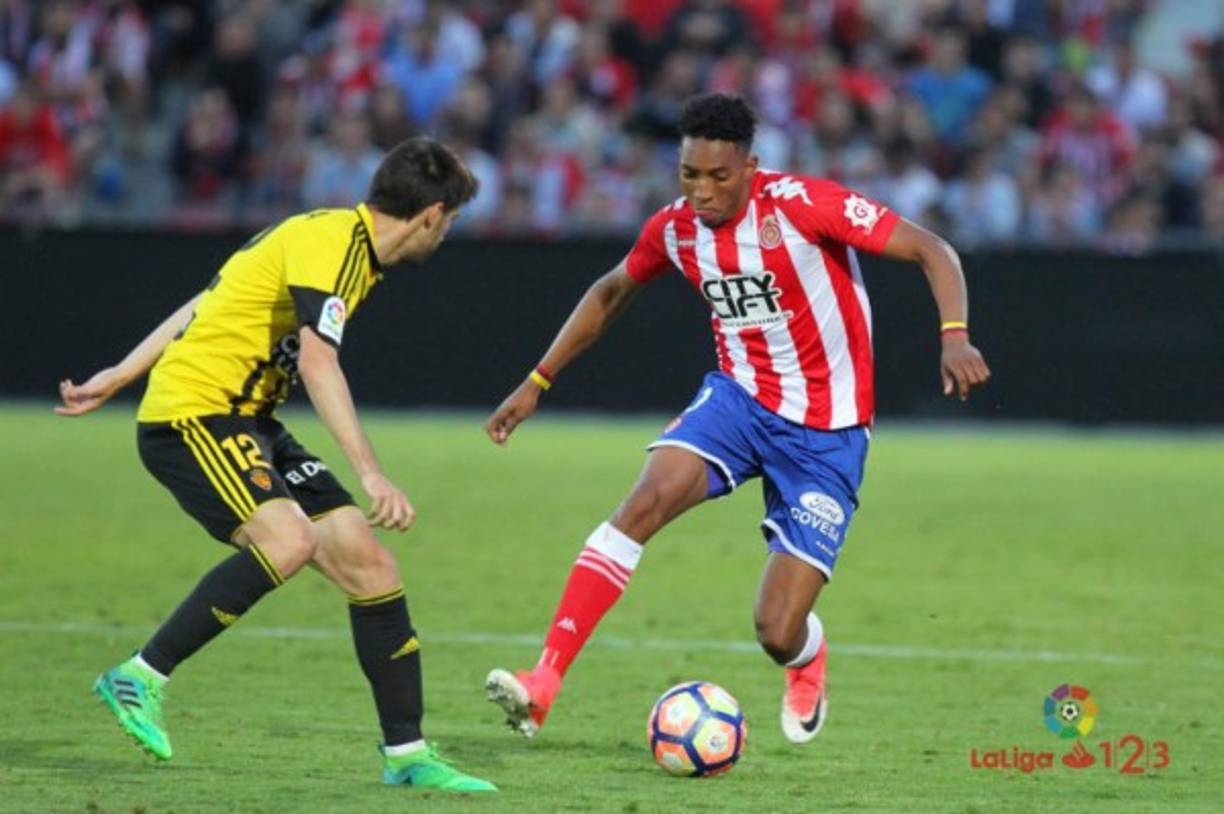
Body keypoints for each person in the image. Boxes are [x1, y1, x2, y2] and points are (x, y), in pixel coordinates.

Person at [483, 94, 990, 743]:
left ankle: (807, 658)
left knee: (775, 630)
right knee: (643, 501)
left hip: (827, 434)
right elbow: (610, 292)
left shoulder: (805, 206)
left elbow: (931, 248)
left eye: (719, 177)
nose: (703, 191)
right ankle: (544, 679)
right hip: (739, 403)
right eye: (690, 175)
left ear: (750, 166)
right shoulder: (673, 229)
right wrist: (536, 382)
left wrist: (954, 335)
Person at [56, 137, 496, 793]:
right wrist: (372, 472)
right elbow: (319, 362)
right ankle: (140, 675)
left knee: (371, 566)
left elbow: (206, 301)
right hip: (194, 416)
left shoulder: (332, 241)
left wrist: (121, 371)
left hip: (252, 419)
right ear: (431, 214)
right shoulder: (334, 248)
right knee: (289, 537)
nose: (447, 234)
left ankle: (407, 755)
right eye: (452, 222)